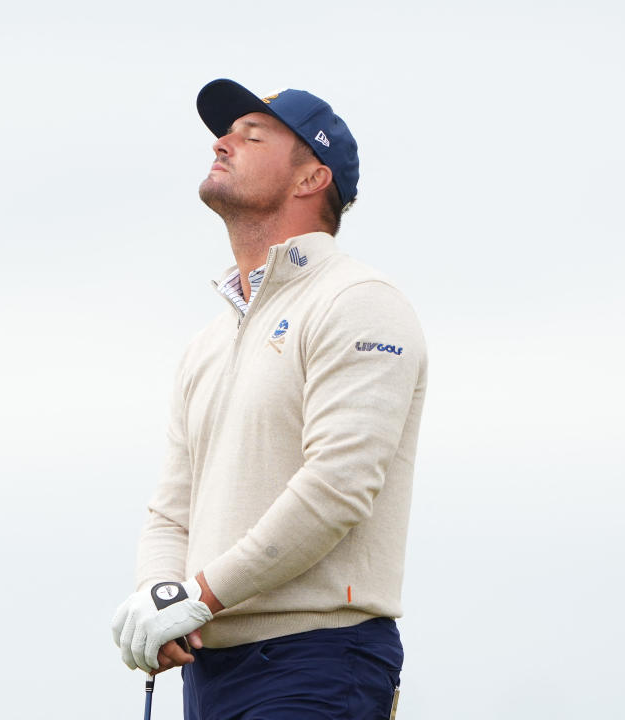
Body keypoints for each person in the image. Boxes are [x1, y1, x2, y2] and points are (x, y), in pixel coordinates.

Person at [111, 78, 428, 720]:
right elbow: (173, 509)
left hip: (318, 660)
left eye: (252, 136)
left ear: (311, 179)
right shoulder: (208, 341)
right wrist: (159, 596)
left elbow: (337, 485)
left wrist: (199, 593)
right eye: (227, 133)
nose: (223, 142)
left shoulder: (358, 302)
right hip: (210, 674)